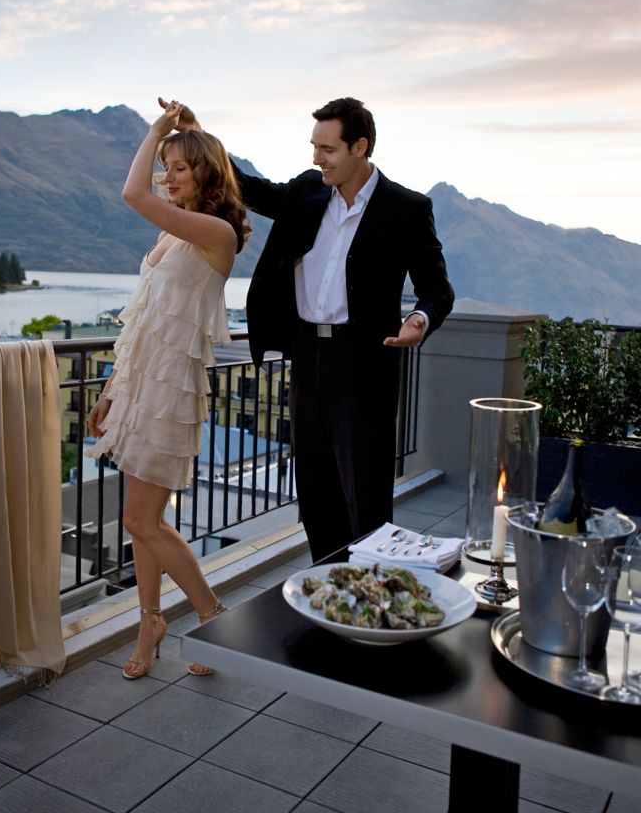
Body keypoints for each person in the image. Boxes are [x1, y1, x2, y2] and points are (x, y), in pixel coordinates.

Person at [165, 96, 454, 562]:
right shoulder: (307, 191)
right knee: (317, 492)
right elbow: (248, 188)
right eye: (314, 146)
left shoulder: (406, 208)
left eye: (328, 149)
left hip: (364, 364)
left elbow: (437, 290)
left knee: (365, 493)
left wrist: (419, 320)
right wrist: (198, 134)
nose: (317, 158)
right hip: (306, 358)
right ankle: (327, 581)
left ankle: (370, 588)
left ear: (360, 147)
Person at [87, 99, 250, 679]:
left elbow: (132, 193)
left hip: (170, 391)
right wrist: (112, 388)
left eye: (180, 167)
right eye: (167, 166)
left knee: (142, 521)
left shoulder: (217, 234)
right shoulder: (174, 232)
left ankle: (212, 616)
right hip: (139, 385)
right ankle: (150, 622)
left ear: (207, 173)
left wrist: (159, 128)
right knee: (141, 520)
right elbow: (144, 318)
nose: (169, 176)